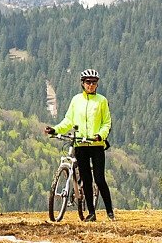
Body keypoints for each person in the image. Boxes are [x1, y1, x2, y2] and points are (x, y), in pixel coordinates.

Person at [44, 68, 114, 221]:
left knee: (99, 179)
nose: (91, 85)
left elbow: (107, 123)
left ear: (97, 84)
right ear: (83, 83)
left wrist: (99, 136)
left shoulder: (102, 101)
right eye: (88, 82)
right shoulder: (76, 100)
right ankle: (91, 214)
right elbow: (68, 120)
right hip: (80, 145)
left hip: (96, 145)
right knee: (86, 180)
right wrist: (55, 129)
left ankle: (110, 212)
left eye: (94, 82)